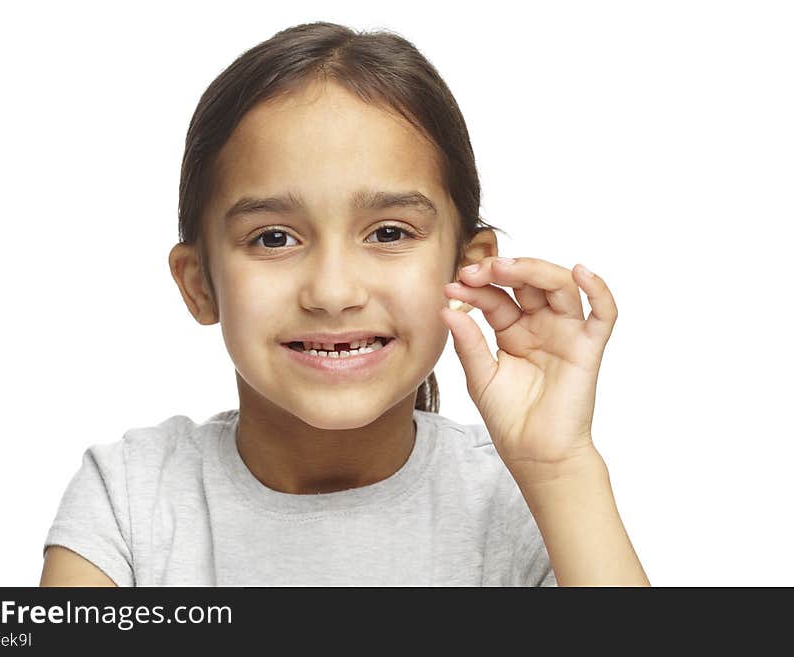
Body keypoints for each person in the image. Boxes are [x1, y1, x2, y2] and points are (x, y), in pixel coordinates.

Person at [41, 21, 649, 587]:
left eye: (389, 233)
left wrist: (559, 467)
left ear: (469, 268)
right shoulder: (129, 502)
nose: (333, 293)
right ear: (199, 284)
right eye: (274, 238)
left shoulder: (525, 500)